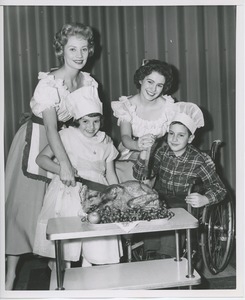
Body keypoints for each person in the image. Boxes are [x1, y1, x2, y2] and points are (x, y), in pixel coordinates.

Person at [5, 22, 98, 289]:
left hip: (65, 141)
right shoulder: (49, 83)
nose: (78, 54)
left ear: (90, 50)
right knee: (23, 211)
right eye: (72, 49)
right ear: (61, 50)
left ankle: (55, 261)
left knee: (60, 205)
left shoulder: (88, 82)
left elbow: (87, 121)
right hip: (36, 141)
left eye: (83, 48)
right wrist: (65, 165)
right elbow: (49, 128)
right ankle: (10, 274)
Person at [33, 90, 122, 266]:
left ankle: (89, 274)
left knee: (94, 242)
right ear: (77, 121)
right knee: (67, 244)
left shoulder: (106, 141)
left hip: (96, 193)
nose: (91, 126)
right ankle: (61, 277)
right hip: (68, 192)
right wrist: (62, 170)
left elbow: (110, 173)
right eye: (85, 121)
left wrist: (117, 195)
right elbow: (41, 159)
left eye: (96, 121)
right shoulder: (66, 136)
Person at [133, 101, 227, 257]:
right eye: (171, 133)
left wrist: (205, 199)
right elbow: (140, 175)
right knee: (152, 210)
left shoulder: (198, 160)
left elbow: (220, 189)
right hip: (160, 198)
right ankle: (151, 254)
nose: (174, 139)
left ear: (190, 138)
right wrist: (144, 154)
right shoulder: (162, 152)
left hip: (184, 202)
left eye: (181, 135)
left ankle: (167, 256)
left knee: (172, 216)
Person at [111, 59, 177, 183]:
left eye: (159, 85)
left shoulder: (169, 108)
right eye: (150, 82)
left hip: (157, 155)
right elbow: (125, 137)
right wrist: (137, 145)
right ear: (141, 80)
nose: (153, 89)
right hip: (130, 151)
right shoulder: (127, 105)